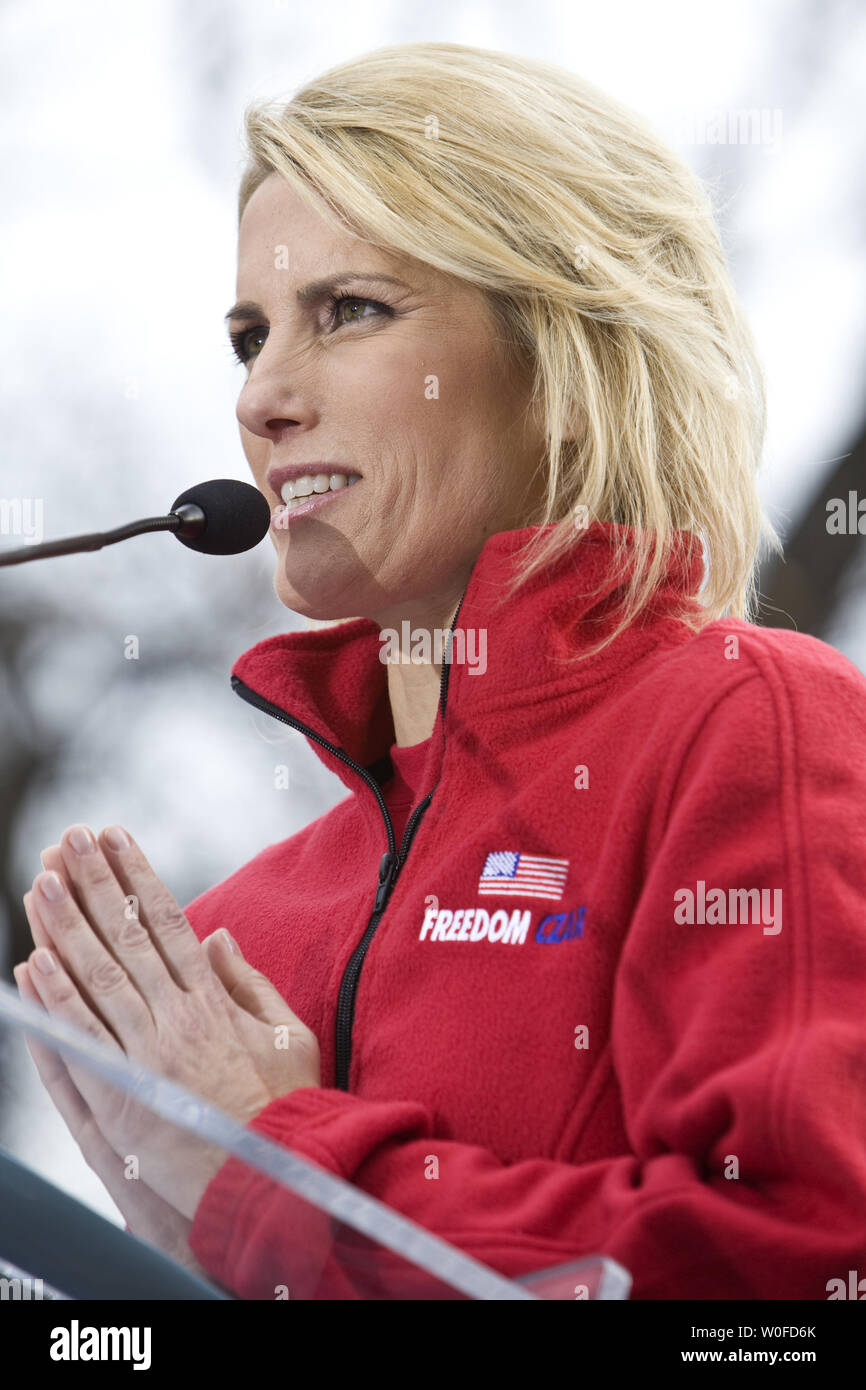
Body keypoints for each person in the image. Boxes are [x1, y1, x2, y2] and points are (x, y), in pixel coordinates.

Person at [15, 41, 866, 1300]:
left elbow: (796, 1268)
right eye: (248, 337)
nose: (261, 397)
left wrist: (273, 1165)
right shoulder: (231, 940)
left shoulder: (743, 722)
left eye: (348, 311)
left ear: (568, 368)